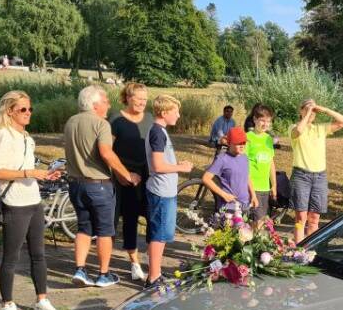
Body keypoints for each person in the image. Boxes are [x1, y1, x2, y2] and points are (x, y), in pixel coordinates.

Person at [0, 91, 62, 310]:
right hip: (15, 203)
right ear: (10, 111)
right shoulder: (2, 135)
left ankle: (42, 299)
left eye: (30, 108)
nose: (28, 113)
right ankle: (7, 304)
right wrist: (29, 172)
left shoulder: (27, 137)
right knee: (11, 257)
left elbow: (27, 171)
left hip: (33, 201)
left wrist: (44, 175)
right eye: (23, 109)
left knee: (39, 254)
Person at [65, 85, 139, 288]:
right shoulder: (101, 124)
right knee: (105, 231)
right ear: (95, 104)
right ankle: (103, 274)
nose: (109, 105)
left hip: (75, 184)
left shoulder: (71, 121)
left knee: (84, 227)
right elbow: (106, 153)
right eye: (105, 101)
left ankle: (80, 269)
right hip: (98, 185)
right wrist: (127, 175)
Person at [144, 94, 193, 289]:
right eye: (175, 111)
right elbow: (157, 165)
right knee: (159, 235)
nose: (179, 115)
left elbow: (162, 161)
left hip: (164, 190)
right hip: (161, 191)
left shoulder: (160, 131)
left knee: (159, 233)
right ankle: (153, 278)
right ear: (164, 113)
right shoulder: (157, 132)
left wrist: (176, 163)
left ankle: (154, 272)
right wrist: (181, 168)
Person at [289, 99, 343, 243]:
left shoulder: (320, 128)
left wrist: (325, 110)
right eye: (307, 109)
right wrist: (308, 112)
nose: (311, 113)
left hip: (319, 176)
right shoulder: (293, 127)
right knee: (300, 218)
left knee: (314, 218)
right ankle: (298, 248)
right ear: (301, 111)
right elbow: (298, 131)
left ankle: (310, 249)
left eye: (314, 111)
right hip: (301, 175)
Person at [109, 82, 152, 282]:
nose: (143, 102)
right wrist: (121, 174)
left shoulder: (149, 118)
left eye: (145, 99)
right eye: (139, 99)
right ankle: (134, 263)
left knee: (152, 217)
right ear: (128, 98)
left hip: (147, 176)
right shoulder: (116, 120)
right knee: (130, 219)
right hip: (125, 177)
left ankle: (153, 259)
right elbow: (107, 151)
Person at [203, 126, 257, 213]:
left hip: (244, 204)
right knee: (228, 222)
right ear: (229, 143)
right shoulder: (222, 159)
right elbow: (206, 178)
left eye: (244, 142)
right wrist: (224, 195)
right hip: (229, 206)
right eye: (238, 143)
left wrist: (253, 195)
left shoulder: (244, 158)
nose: (242, 146)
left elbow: (247, 177)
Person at [244, 105, 277, 220]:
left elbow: (271, 163)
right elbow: (243, 165)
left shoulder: (269, 139)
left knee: (261, 221)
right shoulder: (248, 137)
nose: (265, 124)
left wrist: (274, 185)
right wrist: (250, 189)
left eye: (268, 121)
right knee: (253, 222)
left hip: (265, 187)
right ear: (254, 119)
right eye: (262, 120)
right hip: (251, 187)